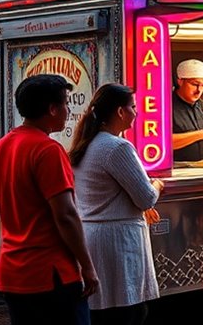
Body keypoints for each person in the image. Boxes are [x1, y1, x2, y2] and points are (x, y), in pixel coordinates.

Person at [0, 74, 99, 324]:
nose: (68, 110)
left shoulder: (2, 146)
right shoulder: (48, 150)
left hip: (13, 271)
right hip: (51, 273)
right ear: (52, 109)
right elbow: (66, 215)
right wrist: (88, 266)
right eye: (65, 103)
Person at [70, 84, 164, 325]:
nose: (136, 112)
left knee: (102, 313)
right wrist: (157, 185)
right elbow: (145, 197)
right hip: (117, 244)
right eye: (133, 107)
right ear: (120, 112)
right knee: (127, 312)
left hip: (93, 237)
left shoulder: (87, 143)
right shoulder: (117, 147)